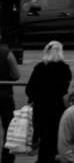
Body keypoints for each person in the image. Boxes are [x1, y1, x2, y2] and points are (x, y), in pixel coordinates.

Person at [25, 40, 72, 163]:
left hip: (41, 111)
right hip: (58, 111)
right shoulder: (65, 69)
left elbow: (29, 89)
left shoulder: (39, 68)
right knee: (57, 141)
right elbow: (68, 90)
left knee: (45, 143)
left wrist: (35, 99)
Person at [0, 30, 20, 163]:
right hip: (4, 95)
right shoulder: (7, 53)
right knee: (8, 128)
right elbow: (16, 75)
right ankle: (7, 158)